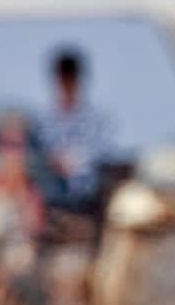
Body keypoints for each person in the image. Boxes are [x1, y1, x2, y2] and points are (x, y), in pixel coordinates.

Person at [34, 46, 116, 213]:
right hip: (51, 198)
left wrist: (73, 162)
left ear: (78, 79)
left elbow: (103, 153)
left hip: (87, 198)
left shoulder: (96, 119)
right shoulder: (44, 119)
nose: (66, 84)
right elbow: (39, 151)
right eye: (63, 79)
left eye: (70, 78)